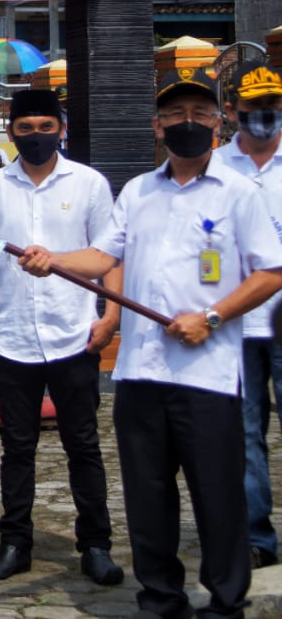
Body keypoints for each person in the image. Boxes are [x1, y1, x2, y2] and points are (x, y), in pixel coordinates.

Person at [19, 69, 282, 619]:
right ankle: (160, 597)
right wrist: (55, 259)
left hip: (207, 374)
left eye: (199, 115)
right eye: (175, 116)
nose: (187, 124)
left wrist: (210, 317)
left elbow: (271, 273)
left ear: (217, 123)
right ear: (156, 126)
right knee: (147, 494)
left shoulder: (239, 194)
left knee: (218, 495)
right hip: (139, 373)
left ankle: (225, 601)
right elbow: (102, 258)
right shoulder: (138, 191)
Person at [0, 89, 124, 586]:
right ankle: (15, 543)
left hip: (74, 336)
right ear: (10, 129)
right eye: (24, 128)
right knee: (17, 448)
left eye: (45, 127)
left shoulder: (90, 185)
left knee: (83, 445)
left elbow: (110, 255)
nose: (35, 137)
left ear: (61, 127)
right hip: (13, 337)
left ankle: (95, 546)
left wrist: (111, 316)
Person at [217, 64, 282, 570]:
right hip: (235, 320)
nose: (262, 118)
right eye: (252, 110)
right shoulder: (214, 168)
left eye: (272, 107)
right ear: (231, 112)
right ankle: (257, 535)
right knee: (244, 432)